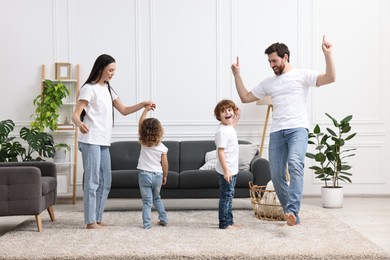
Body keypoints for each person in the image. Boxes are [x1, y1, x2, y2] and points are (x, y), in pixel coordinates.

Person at [231, 36, 336, 226]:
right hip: (277, 132)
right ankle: (291, 215)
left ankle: (292, 210)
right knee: (277, 175)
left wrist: (328, 55)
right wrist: (237, 75)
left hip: (297, 129)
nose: (271, 65)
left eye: (274, 61)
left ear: (285, 57)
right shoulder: (269, 82)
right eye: (269, 62)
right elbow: (246, 97)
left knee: (295, 164)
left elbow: (330, 78)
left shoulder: (301, 75)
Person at [72, 54, 155, 229]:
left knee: (106, 181)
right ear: (101, 68)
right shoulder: (89, 88)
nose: (112, 73)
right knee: (92, 181)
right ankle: (90, 221)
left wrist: (143, 104)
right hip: (90, 140)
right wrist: (80, 124)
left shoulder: (108, 89)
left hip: (103, 141)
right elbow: (75, 113)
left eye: (114, 70)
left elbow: (124, 110)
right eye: (110, 70)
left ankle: (97, 218)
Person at [137, 104, 168, 229]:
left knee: (146, 201)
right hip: (157, 175)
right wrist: (164, 176)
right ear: (159, 131)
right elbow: (165, 164)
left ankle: (147, 224)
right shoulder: (162, 147)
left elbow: (140, 123)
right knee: (157, 198)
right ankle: (163, 219)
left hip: (144, 174)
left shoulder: (143, 143)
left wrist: (146, 110)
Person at [213, 99, 241, 229]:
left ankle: (229, 221)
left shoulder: (229, 127)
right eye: (223, 111)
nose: (227, 113)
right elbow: (220, 152)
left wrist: (237, 115)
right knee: (226, 197)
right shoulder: (222, 131)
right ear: (219, 116)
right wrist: (226, 171)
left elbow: (233, 125)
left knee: (229, 196)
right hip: (227, 170)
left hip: (232, 169)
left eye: (229, 110)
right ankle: (224, 223)